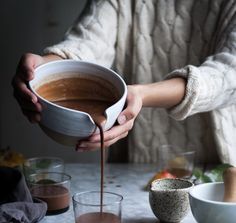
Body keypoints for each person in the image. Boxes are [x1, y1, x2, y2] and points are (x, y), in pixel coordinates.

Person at [12, 0, 236, 166]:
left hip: (215, 168)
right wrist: (42, 67)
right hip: (132, 164)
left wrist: (141, 94)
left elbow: (228, 73)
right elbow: (89, 42)